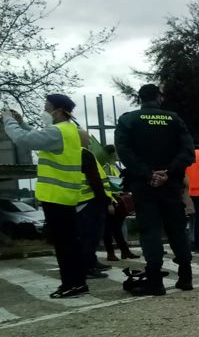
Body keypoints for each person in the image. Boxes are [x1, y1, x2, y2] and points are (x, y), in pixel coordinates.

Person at [2, 94, 92, 297]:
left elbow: (24, 140)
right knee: (70, 243)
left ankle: (72, 284)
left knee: (64, 245)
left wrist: (8, 119)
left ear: (59, 111)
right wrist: (22, 122)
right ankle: (78, 282)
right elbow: (36, 135)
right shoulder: (68, 130)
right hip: (66, 195)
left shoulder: (57, 132)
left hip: (56, 197)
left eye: (47, 107)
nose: (44, 111)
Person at [114, 84, 195, 295]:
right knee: (177, 228)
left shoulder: (128, 120)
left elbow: (124, 152)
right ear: (159, 98)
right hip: (171, 184)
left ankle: (155, 281)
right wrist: (168, 172)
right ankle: (186, 277)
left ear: (140, 98)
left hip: (144, 185)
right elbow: (188, 152)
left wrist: (148, 174)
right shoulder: (174, 119)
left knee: (149, 230)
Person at [78, 147, 113, 278]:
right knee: (91, 236)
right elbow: (94, 178)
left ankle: (91, 261)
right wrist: (104, 200)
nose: (88, 142)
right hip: (89, 200)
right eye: (86, 139)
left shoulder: (81, 152)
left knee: (91, 236)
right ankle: (88, 267)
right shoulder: (83, 153)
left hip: (84, 201)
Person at [100, 145, 139, 262]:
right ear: (111, 154)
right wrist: (109, 202)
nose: (117, 155)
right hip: (110, 200)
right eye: (115, 153)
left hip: (117, 199)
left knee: (116, 228)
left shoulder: (111, 166)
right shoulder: (105, 167)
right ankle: (112, 253)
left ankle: (124, 251)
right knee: (109, 228)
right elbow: (106, 185)